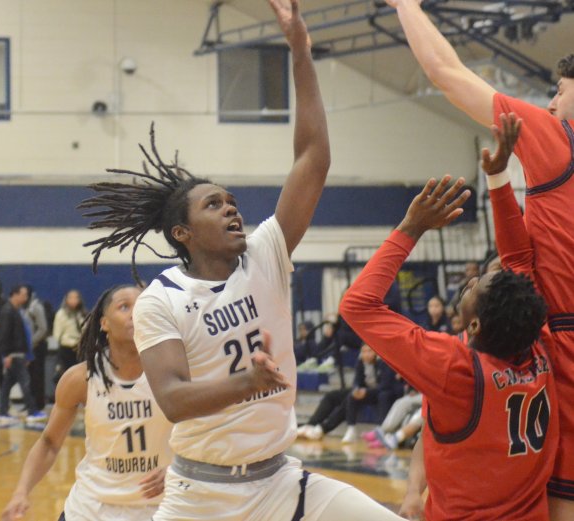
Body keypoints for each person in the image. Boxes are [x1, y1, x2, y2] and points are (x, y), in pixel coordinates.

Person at [81, 2, 405, 519]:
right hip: (201, 496)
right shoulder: (160, 300)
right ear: (182, 233)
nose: (230, 206)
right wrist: (246, 384)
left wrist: (300, 50)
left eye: (231, 200)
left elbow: (313, 157)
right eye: (214, 204)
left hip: (281, 479)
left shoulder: (266, 254)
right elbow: (173, 398)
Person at [386, 1, 574, 514]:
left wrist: (406, 5)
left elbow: (446, 73)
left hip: (560, 347)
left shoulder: (558, 142)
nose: (552, 103)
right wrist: (497, 181)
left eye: (559, 91)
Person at [339, 175, 558, 520]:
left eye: (475, 287)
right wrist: (413, 492)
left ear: (474, 325)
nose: (470, 280)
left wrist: (411, 227)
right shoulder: (540, 343)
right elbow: (518, 260)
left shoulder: (454, 367)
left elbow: (358, 305)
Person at [1, 285, 173, 521]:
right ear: (104, 323)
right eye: (124, 306)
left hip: (158, 509)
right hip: (90, 509)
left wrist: (177, 468)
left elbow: (205, 432)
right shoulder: (80, 379)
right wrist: (21, 492)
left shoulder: (173, 372)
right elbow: (50, 442)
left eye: (142, 305)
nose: (136, 312)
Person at [296, 344, 403, 443]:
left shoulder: (383, 362)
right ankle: (310, 425)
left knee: (352, 397)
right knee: (332, 395)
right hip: (365, 391)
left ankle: (324, 428)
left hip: (379, 392)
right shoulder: (361, 361)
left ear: (376, 352)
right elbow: (357, 381)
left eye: (370, 351)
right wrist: (357, 389)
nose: (366, 354)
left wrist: (365, 391)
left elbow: (385, 385)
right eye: (364, 351)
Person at [0, 285, 46, 424]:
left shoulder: (15, 311)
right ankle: (32, 411)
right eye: (23, 294)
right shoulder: (8, 311)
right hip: (14, 354)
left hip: (18, 354)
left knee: (7, 384)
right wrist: (6, 354)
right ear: (15, 294)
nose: (26, 297)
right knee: (25, 382)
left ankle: (2, 411)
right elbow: (3, 335)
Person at [23, 285, 49, 411]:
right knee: (29, 377)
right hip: (28, 348)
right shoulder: (25, 308)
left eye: (24, 294)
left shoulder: (36, 307)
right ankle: (30, 404)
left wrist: (31, 342)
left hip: (37, 347)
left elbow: (43, 328)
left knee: (37, 377)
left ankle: (39, 404)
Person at [52, 289, 86, 384]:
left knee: (81, 376)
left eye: (76, 298)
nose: (74, 300)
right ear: (66, 300)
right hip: (66, 349)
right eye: (71, 298)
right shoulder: (61, 314)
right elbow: (57, 334)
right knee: (66, 377)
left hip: (80, 349)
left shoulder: (82, 313)